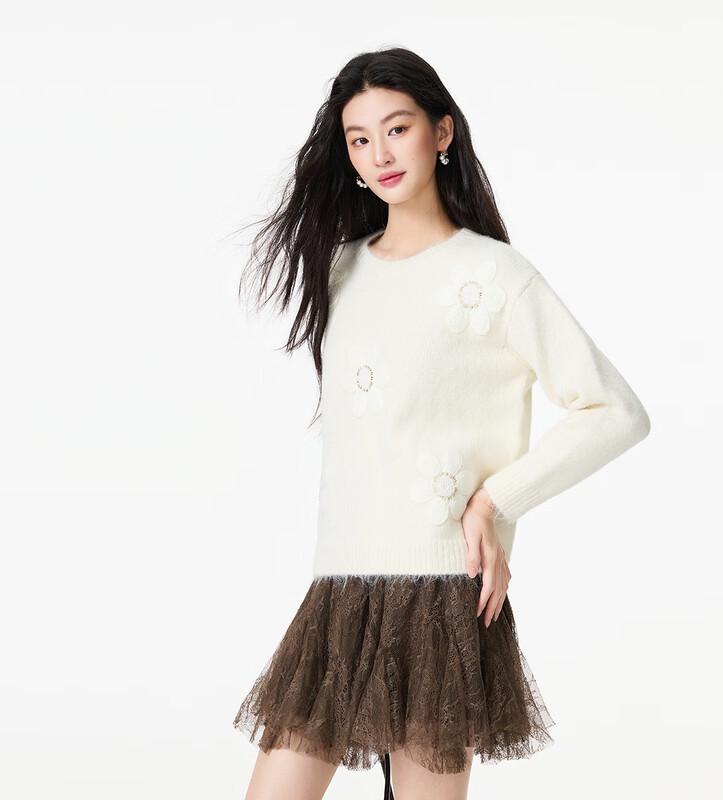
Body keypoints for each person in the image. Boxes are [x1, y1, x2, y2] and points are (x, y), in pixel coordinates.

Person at [232, 46, 651, 800]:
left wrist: (495, 502)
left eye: (397, 129)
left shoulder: (497, 275)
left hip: (440, 591)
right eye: (360, 139)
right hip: (340, 588)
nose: (380, 154)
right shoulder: (339, 269)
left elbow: (614, 412)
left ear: (442, 132)